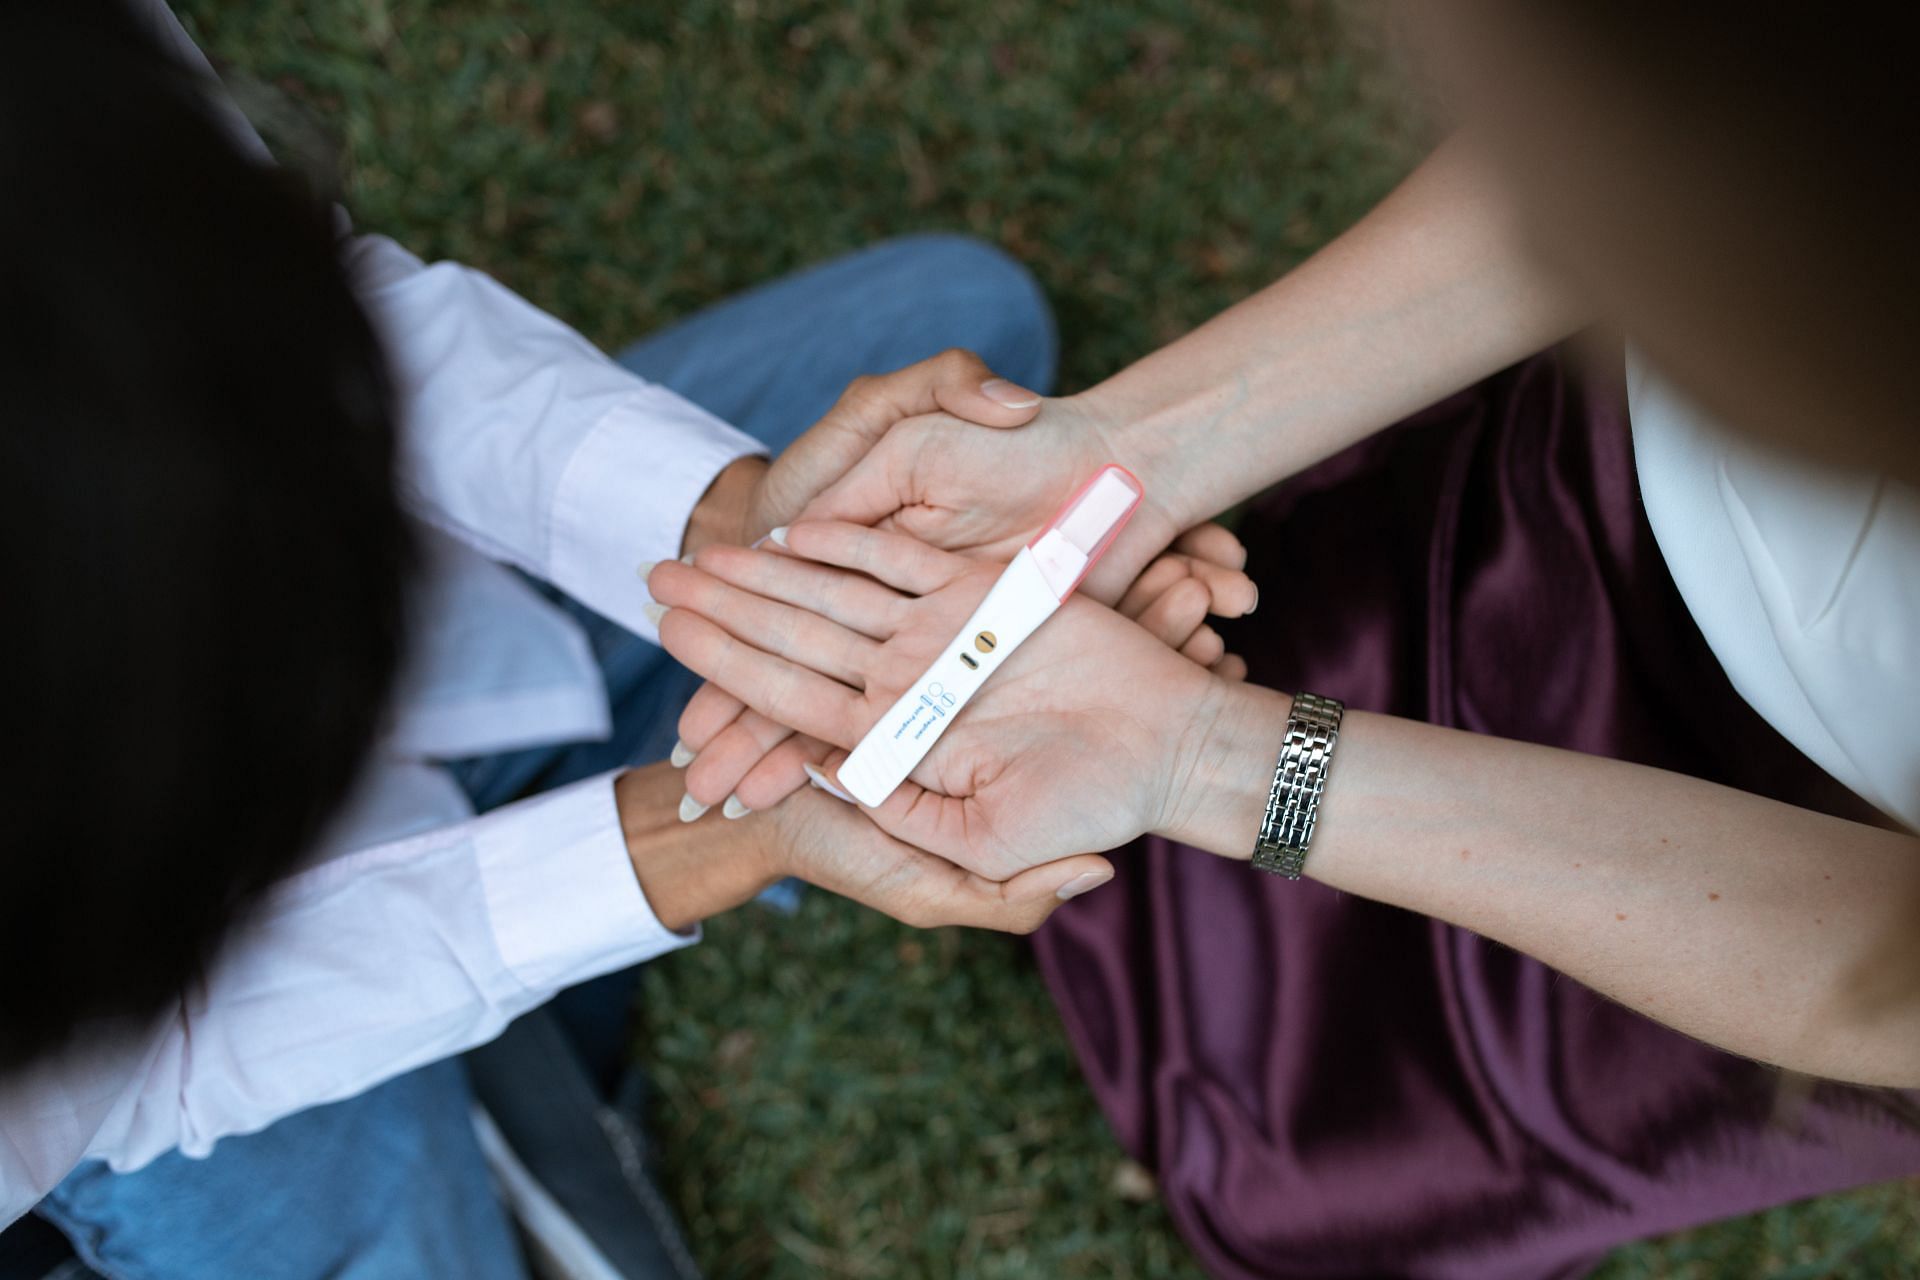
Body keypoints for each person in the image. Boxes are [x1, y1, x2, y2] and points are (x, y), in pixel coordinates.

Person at [646, 3, 1920, 1276]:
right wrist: (1128, 458)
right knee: (1319, 612)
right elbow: (1680, 139)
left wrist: (1211, 759)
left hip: (1770, 898)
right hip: (1591, 488)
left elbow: (1881, 986)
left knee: (1398, 1112)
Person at [0, 4, 1254, 1278]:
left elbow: (304, 303)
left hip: (413, 696)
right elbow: (173, 1054)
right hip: (175, 1040)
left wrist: (741, 529)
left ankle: (509, 1018)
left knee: (960, 321)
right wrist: (726, 833)